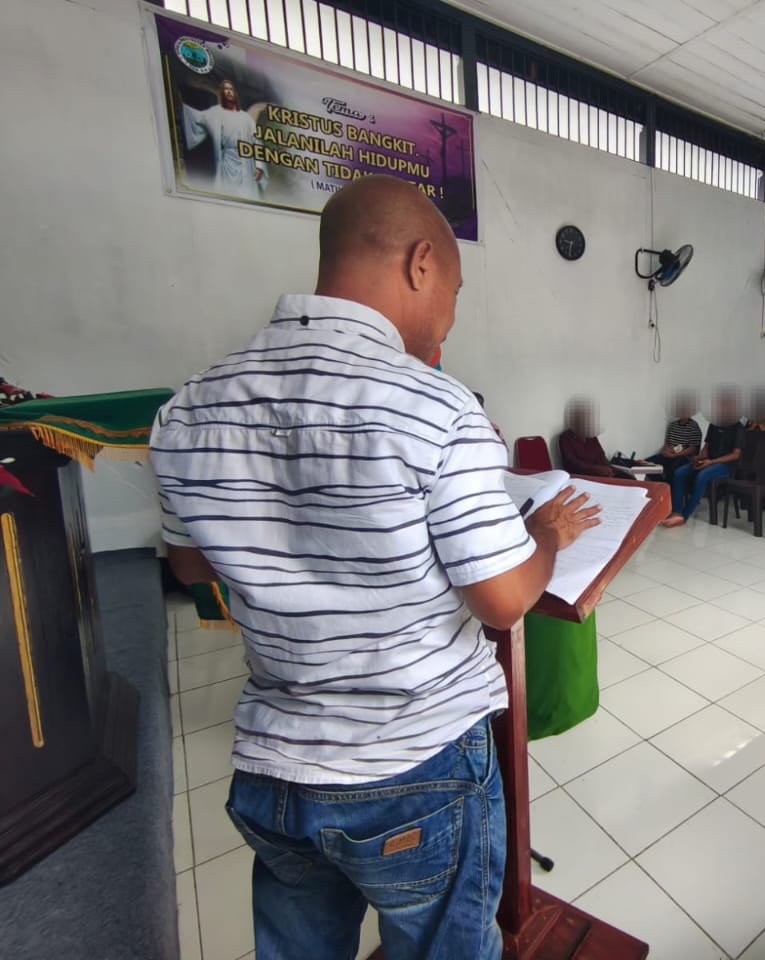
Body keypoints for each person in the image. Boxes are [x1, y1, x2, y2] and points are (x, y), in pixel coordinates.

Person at [149, 175, 601, 960]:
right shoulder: (437, 408)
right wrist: (545, 536)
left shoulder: (190, 407)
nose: (449, 319)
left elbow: (192, 565)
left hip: (275, 770)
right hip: (415, 767)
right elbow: (503, 601)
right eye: (454, 292)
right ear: (421, 264)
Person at [661, 387, 745, 528]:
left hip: (725, 466)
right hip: (708, 461)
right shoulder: (714, 424)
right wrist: (700, 457)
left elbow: (735, 455)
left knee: (702, 476)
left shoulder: (738, 428)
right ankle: (676, 511)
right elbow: (707, 446)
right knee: (679, 473)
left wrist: (711, 462)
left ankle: (684, 516)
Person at [181, 79, 267, 200]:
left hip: (246, 162)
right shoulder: (215, 112)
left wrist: (259, 166)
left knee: (248, 195)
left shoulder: (246, 117)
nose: (228, 92)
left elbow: (256, 141)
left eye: (230, 89)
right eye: (225, 89)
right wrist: (180, 105)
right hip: (226, 162)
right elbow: (196, 118)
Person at [649, 390, 702, 485]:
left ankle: (668, 488)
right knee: (649, 463)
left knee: (672, 468)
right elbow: (668, 443)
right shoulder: (672, 425)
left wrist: (675, 455)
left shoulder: (693, 426)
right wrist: (666, 451)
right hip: (671, 454)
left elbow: (693, 449)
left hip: (684, 457)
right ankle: (662, 484)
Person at [558, 398, 618, 478]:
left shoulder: (591, 436)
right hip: (582, 476)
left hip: (603, 474)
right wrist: (598, 469)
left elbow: (601, 456)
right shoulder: (566, 438)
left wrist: (612, 469)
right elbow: (572, 464)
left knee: (628, 477)